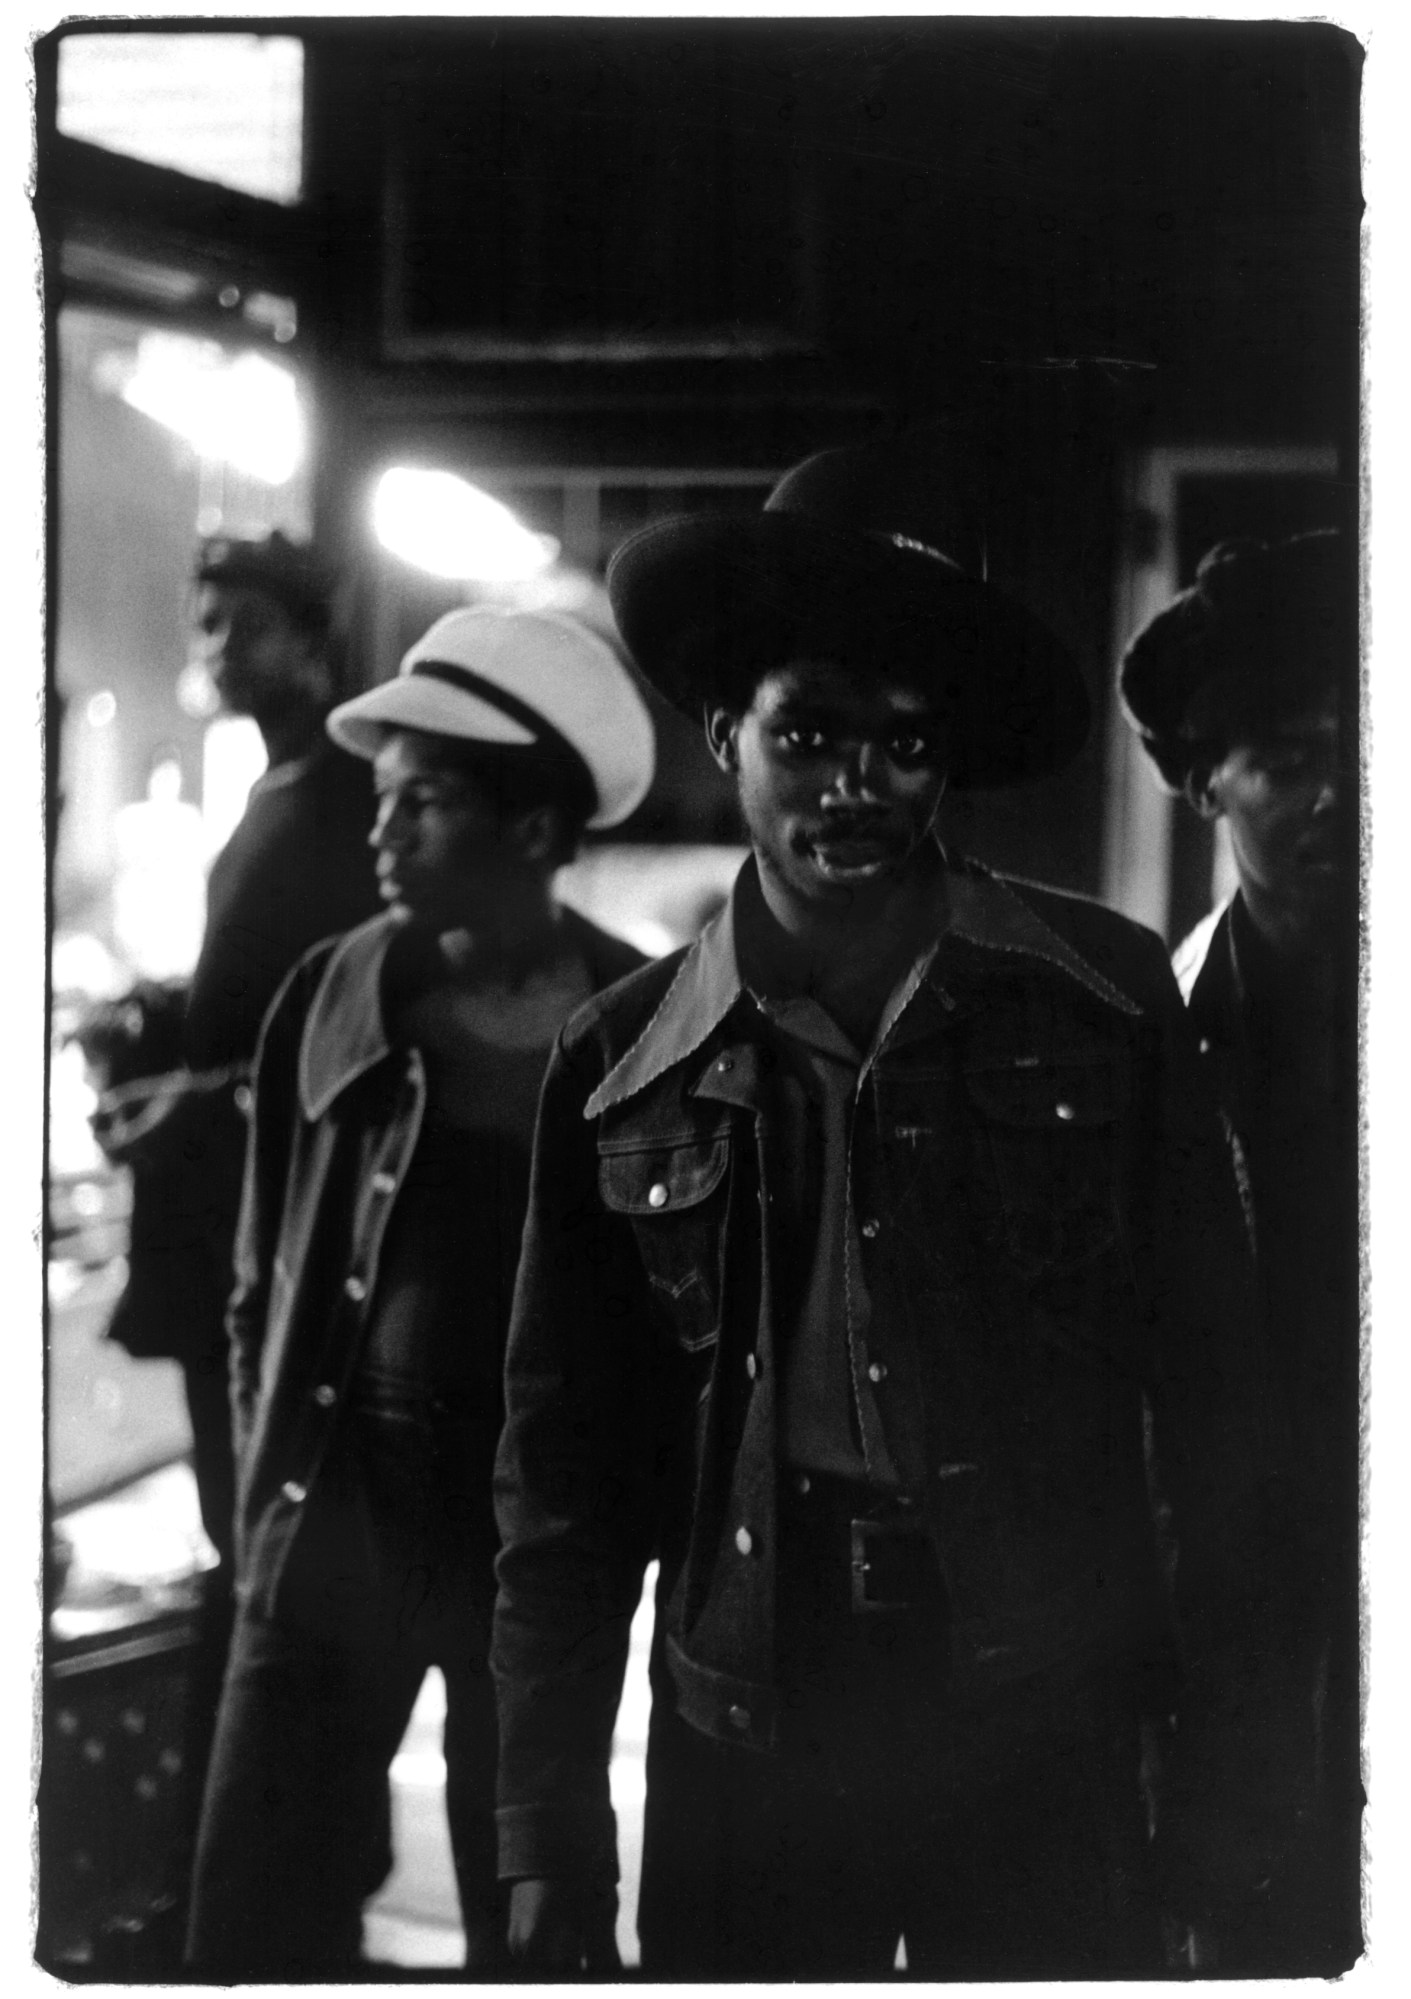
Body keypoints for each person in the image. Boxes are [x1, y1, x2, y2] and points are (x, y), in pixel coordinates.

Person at [490, 446, 1290, 1981]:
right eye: (809, 734)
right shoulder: (620, 1063)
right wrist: (543, 1833)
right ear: (725, 732)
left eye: (908, 745)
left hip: (1044, 1710)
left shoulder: (1103, 1002)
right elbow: (567, 1490)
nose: (857, 786)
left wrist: (1231, 1780)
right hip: (753, 1723)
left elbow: (1220, 1421)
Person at [184, 607, 654, 1979]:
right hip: (335, 1513)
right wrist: (261, 1510)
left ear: (531, 831)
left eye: (427, 803)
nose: (384, 835)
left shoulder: (634, 1024)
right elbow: (257, 1278)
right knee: (253, 1912)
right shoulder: (337, 992)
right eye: (383, 803)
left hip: (531, 1553)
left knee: (536, 1917)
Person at [1119, 530, 1361, 1974]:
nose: (1344, 795)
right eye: (1291, 754)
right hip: (1223, 1648)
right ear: (1209, 779)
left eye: (1374, 742)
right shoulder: (1141, 1042)